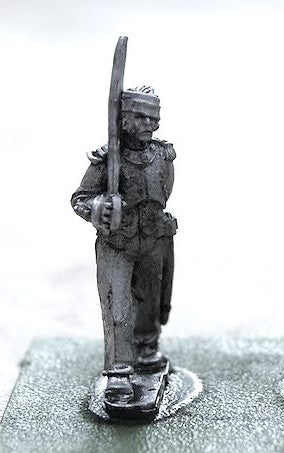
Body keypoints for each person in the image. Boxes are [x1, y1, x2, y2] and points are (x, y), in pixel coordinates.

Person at [71, 86, 177, 403]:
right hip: (118, 241)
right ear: (124, 118)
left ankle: (146, 346)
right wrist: (99, 208)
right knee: (118, 305)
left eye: (153, 118)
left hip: (154, 239)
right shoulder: (107, 160)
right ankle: (118, 371)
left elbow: (163, 195)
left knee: (150, 300)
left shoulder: (163, 155)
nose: (149, 124)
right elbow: (80, 199)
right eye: (141, 117)